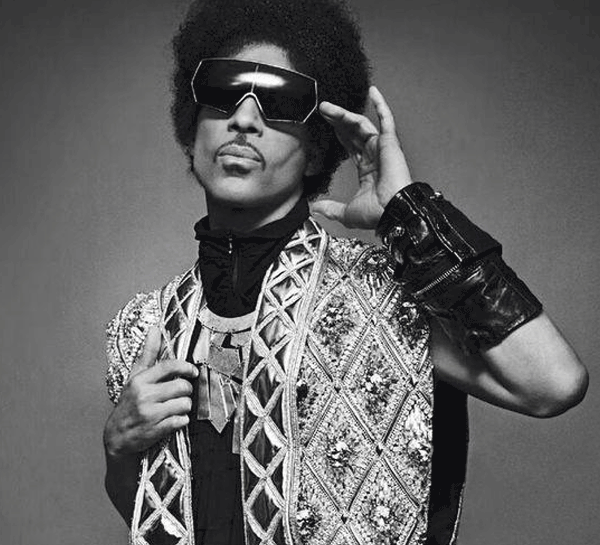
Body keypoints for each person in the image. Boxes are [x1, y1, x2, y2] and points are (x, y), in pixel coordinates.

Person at [102, 0, 588, 544]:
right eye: (223, 93)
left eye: (279, 104)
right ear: (192, 129)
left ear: (316, 151)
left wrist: (410, 213)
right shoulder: (142, 327)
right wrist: (118, 447)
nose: (243, 120)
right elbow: (150, 515)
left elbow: (554, 384)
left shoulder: (386, 299)